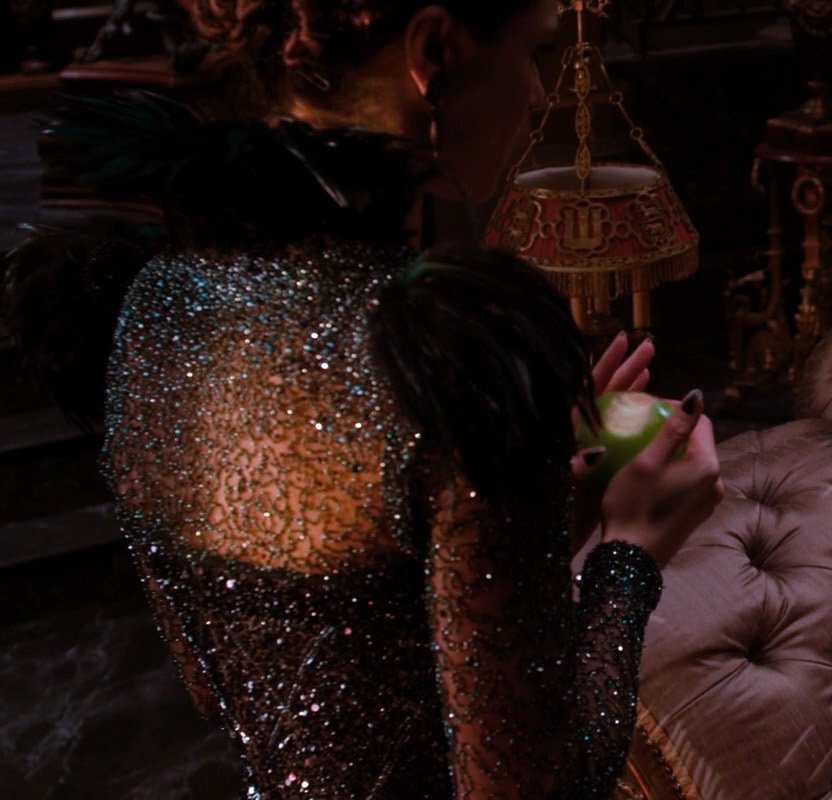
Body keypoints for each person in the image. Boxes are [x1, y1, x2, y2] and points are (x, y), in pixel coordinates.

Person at [0, 1, 723, 797]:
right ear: (436, 50)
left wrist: (542, 516)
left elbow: (236, 685)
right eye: (533, 54)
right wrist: (630, 555)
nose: (532, 93)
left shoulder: (153, 306)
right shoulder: (446, 360)